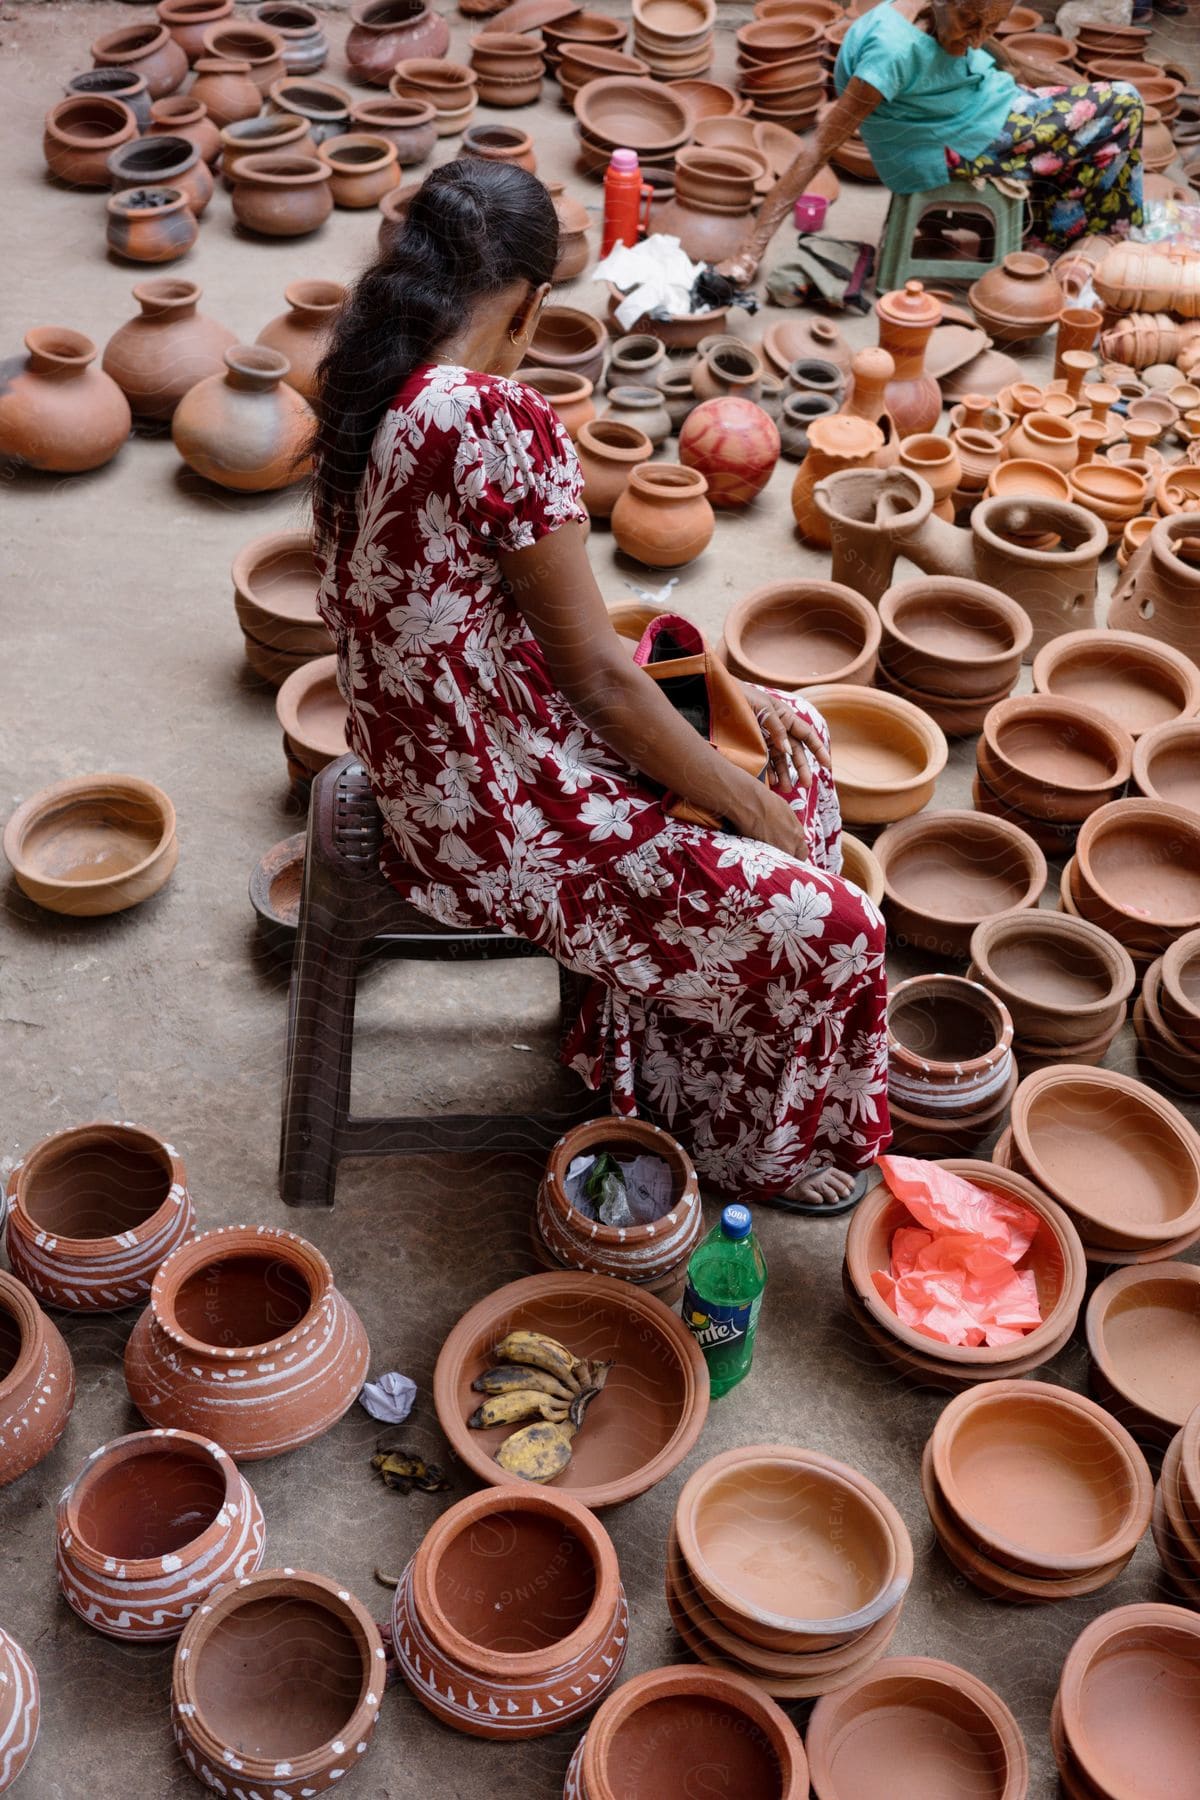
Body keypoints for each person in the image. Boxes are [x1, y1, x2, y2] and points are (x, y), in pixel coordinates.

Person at [310, 159, 890, 1212]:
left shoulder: (369, 378)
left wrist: (712, 709)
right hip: (489, 818)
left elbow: (530, 635)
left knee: (788, 725)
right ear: (532, 302)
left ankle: (659, 1071)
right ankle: (745, 1150)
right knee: (838, 921)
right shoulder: (488, 417)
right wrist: (745, 804)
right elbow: (595, 682)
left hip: (445, 765)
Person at [721, 0, 1144, 287]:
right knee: (1125, 105)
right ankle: (1072, 240)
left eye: (991, 26)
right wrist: (748, 253)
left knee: (1113, 105)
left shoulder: (951, 14)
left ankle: (1057, 234)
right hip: (946, 145)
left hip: (976, 111)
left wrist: (1088, 92)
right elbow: (818, 148)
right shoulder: (892, 54)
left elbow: (1012, 63)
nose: (978, 38)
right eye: (972, 24)